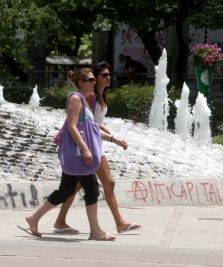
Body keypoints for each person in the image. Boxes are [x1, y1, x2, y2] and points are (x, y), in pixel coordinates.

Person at [20, 68, 122, 241]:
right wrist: (85, 149)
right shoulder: (75, 98)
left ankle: (34, 218)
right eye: (90, 80)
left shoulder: (83, 99)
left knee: (65, 190)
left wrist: (114, 139)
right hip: (79, 155)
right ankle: (95, 231)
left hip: (77, 155)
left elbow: (91, 129)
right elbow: (72, 127)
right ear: (80, 82)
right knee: (92, 188)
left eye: (93, 80)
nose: (93, 82)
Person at [53, 62, 141, 234]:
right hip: (90, 145)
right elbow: (84, 122)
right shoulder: (90, 97)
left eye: (108, 75)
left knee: (76, 186)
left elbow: (92, 122)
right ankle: (118, 223)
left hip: (94, 143)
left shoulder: (99, 96)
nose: (108, 78)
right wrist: (101, 139)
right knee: (106, 182)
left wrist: (105, 131)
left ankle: (59, 220)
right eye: (103, 76)